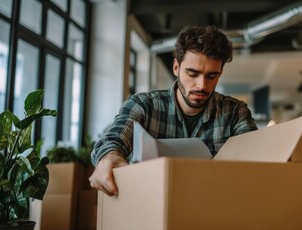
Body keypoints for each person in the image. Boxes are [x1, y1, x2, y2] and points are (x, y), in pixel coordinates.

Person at [89, 25, 258, 196]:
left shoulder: (235, 112)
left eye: (211, 76)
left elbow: (254, 156)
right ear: (176, 67)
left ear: (220, 73)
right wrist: (109, 157)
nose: (202, 85)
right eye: (192, 73)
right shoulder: (143, 106)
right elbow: (113, 140)